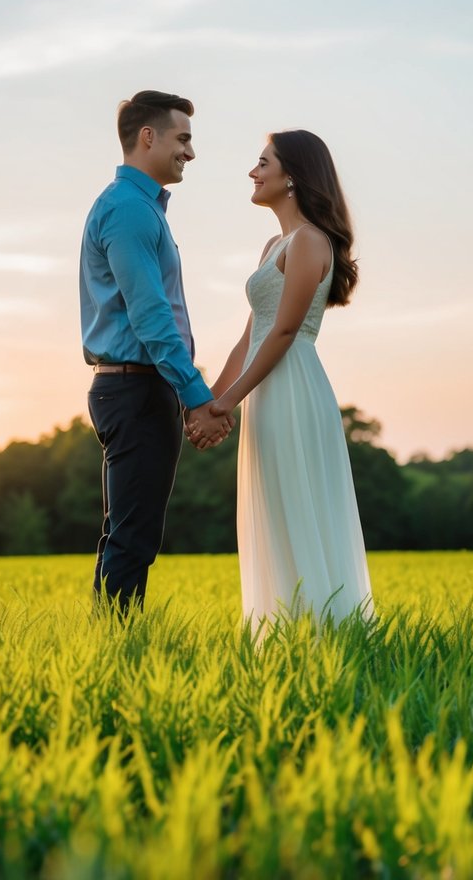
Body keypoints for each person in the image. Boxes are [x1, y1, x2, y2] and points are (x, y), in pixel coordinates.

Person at [193, 129, 373, 628]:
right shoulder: (275, 243)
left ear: (291, 174)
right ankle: (286, 632)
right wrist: (206, 403)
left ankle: (328, 630)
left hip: (293, 385)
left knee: (300, 502)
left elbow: (285, 332)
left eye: (262, 162)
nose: (253, 172)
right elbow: (249, 337)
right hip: (263, 386)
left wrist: (227, 403)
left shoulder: (311, 241)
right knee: (273, 506)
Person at [79, 90, 234, 611]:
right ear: (148, 137)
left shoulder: (139, 208)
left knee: (130, 530)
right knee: (133, 536)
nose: (190, 152)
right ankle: (117, 651)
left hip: (139, 385)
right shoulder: (128, 211)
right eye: (183, 138)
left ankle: (114, 644)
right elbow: (151, 317)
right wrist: (195, 396)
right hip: (134, 386)